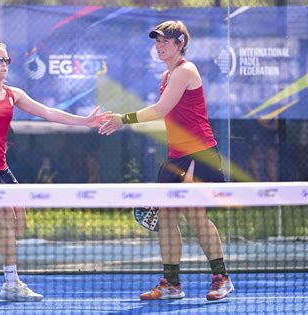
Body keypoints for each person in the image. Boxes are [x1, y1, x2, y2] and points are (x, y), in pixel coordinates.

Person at [0, 42, 110, 302]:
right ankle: (11, 283)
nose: (3, 65)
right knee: (6, 222)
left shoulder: (13, 94)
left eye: (6, 60)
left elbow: (48, 112)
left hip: (0, 166)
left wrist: (85, 121)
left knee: (19, 222)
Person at [99, 20, 234, 301]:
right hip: (177, 155)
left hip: (200, 154)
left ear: (180, 44)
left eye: (165, 41)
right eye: (157, 41)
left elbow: (161, 109)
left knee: (196, 217)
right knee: (167, 218)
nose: (159, 46)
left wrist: (123, 119)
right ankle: (171, 284)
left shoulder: (186, 70)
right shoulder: (166, 76)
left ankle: (221, 279)